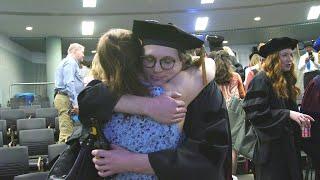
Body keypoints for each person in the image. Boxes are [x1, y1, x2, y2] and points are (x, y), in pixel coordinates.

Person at [79, 21, 232, 180]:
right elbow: (88, 101)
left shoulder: (204, 90)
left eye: (167, 61)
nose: (157, 69)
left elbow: (209, 158)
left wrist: (132, 162)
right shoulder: (128, 86)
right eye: (149, 59)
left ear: (183, 61)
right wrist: (147, 105)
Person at [243, 37, 314, 180]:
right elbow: (255, 114)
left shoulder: (285, 79)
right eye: (284, 55)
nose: (290, 59)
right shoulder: (261, 80)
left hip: (288, 147)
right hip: (271, 151)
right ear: (274, 58)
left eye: (291, 55)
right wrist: (287, 114)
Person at [211, 50, 245, 177]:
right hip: (233, 113)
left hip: (216, 112)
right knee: (233, 148)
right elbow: (243, 95)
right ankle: (231, 175)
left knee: (217, 146)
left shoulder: (212, 77)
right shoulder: (235, 76)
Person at [54, 43, 85, 142]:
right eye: (82, 52)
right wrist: (75, 103)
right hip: (65, 98)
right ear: (74, 51)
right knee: (66, 132)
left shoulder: (68, 62)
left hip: (66, 98)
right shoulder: (70, 62)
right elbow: (69, 83)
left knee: (68, 130)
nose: (83, 55)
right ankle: (62, 155)